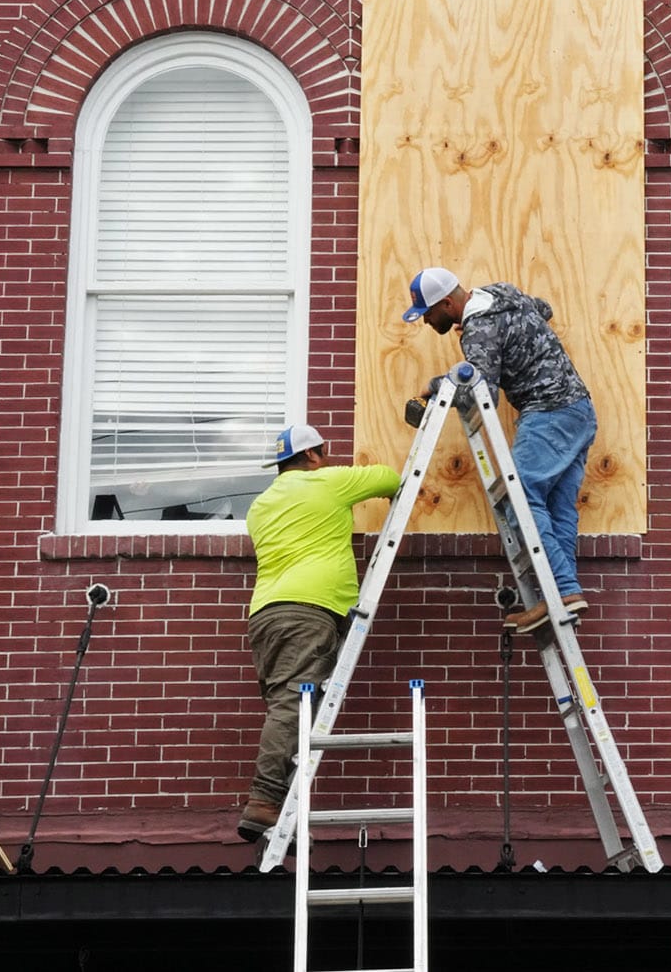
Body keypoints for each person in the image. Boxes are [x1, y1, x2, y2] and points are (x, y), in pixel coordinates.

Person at [402, 265, 595, 633]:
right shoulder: (504, 293)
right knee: (556, 508)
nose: (427, 322)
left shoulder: (479, 329)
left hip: (549, 412)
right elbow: (543, 309)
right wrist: (495, 340)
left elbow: (481, 392)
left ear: (446, 304)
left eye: (428, 313)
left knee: (518, 494)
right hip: (579, 412)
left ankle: (558, 593)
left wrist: (433, 386)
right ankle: (565, 591)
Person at [236, 423, 402, 843]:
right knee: (292, 709)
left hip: (265, 615)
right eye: (323, 453)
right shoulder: (327, 482)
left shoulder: (260, 506)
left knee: (288, 708)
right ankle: (264, 800)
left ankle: (281, 818)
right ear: (313, 455)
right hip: (309, 611)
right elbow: (391, 478)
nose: (326, 459)